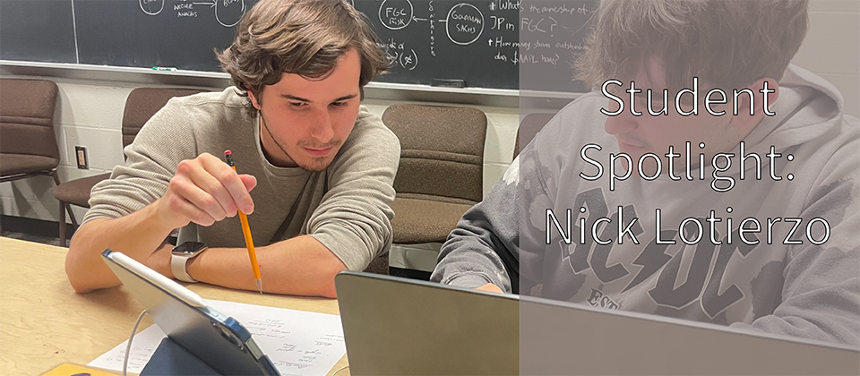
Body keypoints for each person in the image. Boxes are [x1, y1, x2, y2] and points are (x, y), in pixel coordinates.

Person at [432, 0, 860, 345]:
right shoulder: (580, 124)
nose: (614, 123)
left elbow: (828, 340)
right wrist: (479, 302)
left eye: (651, 100)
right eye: (614, 87)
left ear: (746, 104)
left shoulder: (838, 176)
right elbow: (484, 240)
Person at [65, 0, 399, 298]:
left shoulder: (368, 141)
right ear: (253, 93)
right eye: (298, 104)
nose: (325, 132)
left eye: (341, 103)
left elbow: (328, 269)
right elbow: (82, 268)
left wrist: (177, 262)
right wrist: (163, 213)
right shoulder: (188, 124)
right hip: (213, 322)